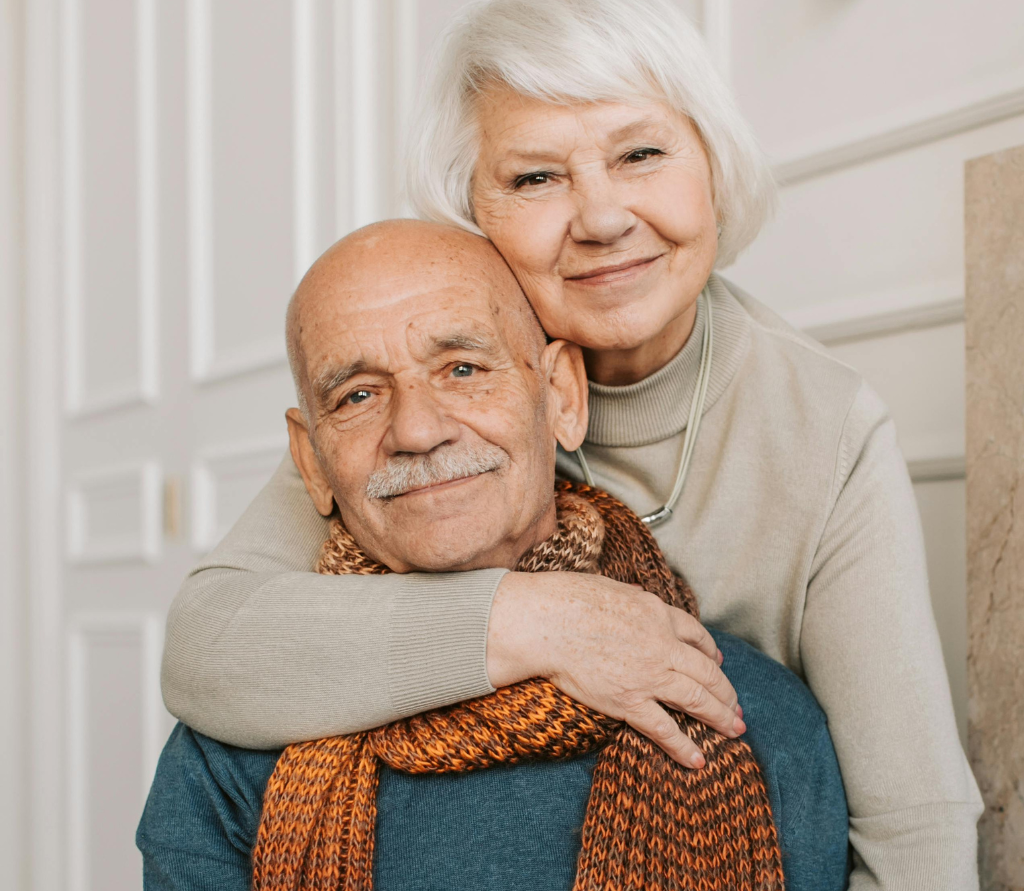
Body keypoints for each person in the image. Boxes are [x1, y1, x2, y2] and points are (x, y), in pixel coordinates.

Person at [161, 0, 981, 888]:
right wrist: (534, 617)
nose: (599, 218)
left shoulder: (824, 426)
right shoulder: (422, 409)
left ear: (714, 166)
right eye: (536, 177)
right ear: (472, 212)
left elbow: (915, 828)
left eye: (641, 155)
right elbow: (209, 643)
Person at [139, 221, 849, 891]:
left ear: (562, 396)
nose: (416, 429)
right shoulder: (232, 746)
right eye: (358, 395)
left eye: (463, 368)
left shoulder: (750, 719)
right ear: (311, 462)